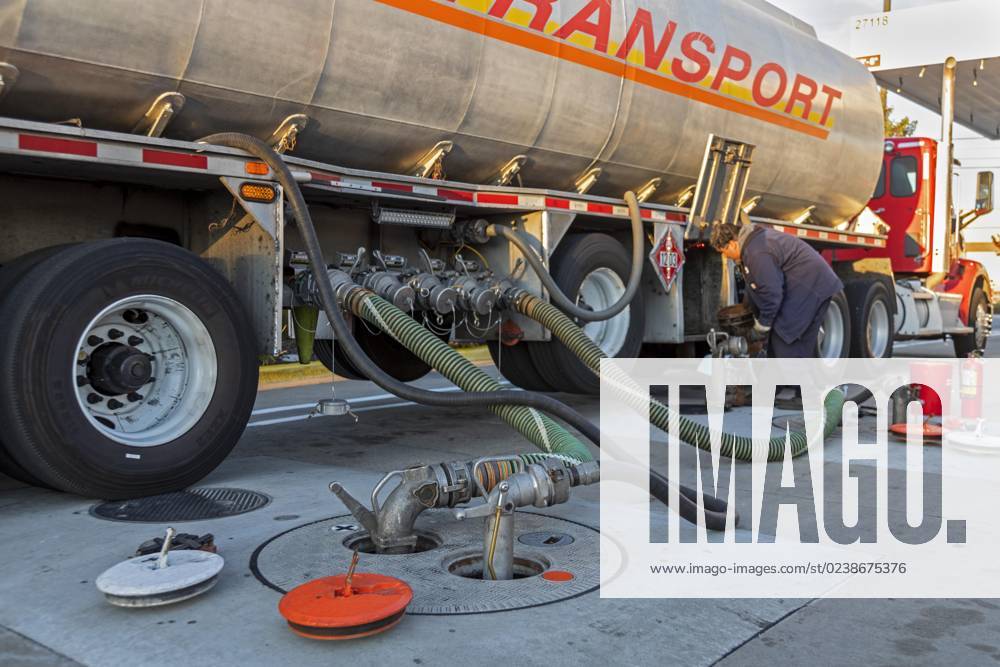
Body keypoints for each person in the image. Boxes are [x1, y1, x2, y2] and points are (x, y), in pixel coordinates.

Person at [710, 220, 843, 358]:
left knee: (786, 344)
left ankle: (795, 377)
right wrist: (747, 309)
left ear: (732, 244)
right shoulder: (752, 245)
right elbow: (755, 286)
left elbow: (771, 294)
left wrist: (762, 327)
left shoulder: (757, 252)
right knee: (776, 347)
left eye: (724, 251)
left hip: (811, 288)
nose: (726, 256)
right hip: (805, 288)